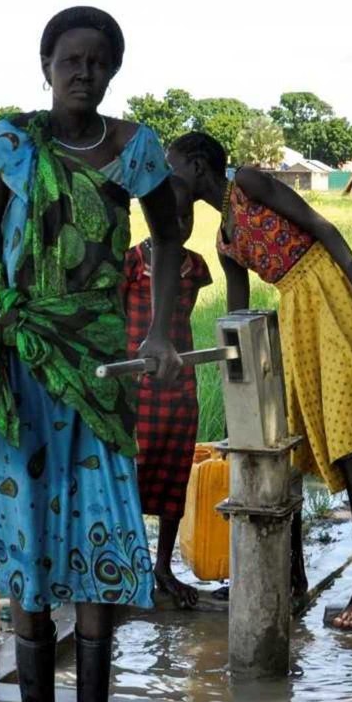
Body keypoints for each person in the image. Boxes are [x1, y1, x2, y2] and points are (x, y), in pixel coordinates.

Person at [0, 7, 183, 702]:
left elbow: (169, 235)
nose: (84, 72)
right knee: (29, 543)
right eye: (70, 60)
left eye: (98, 61)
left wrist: (162, 331)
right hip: (16, 373)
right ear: (46, 67)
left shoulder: (135, 150)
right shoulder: (10, 145)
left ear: (113, 71)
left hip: (99, 374)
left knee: (100, 530)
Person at [168, 131, 352, 629]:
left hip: (327, 292)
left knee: (348, 436)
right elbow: (236, 316)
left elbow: (321, 226)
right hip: (294, 312)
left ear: (195, 165)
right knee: (291, 443)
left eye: (172, 168)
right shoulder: (224, 240)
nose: (168, 179)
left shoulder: (250, 183)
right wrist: (224, 370)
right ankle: (291, 575)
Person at [120, 176, 212, 610]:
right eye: (169, 215)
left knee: (174, 474)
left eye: (186, 215)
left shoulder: (195, 266)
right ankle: (131, 565)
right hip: (138, 384)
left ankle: (162, 567)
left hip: (180, 385)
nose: (178, 222)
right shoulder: (131, 262)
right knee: (131, 474)